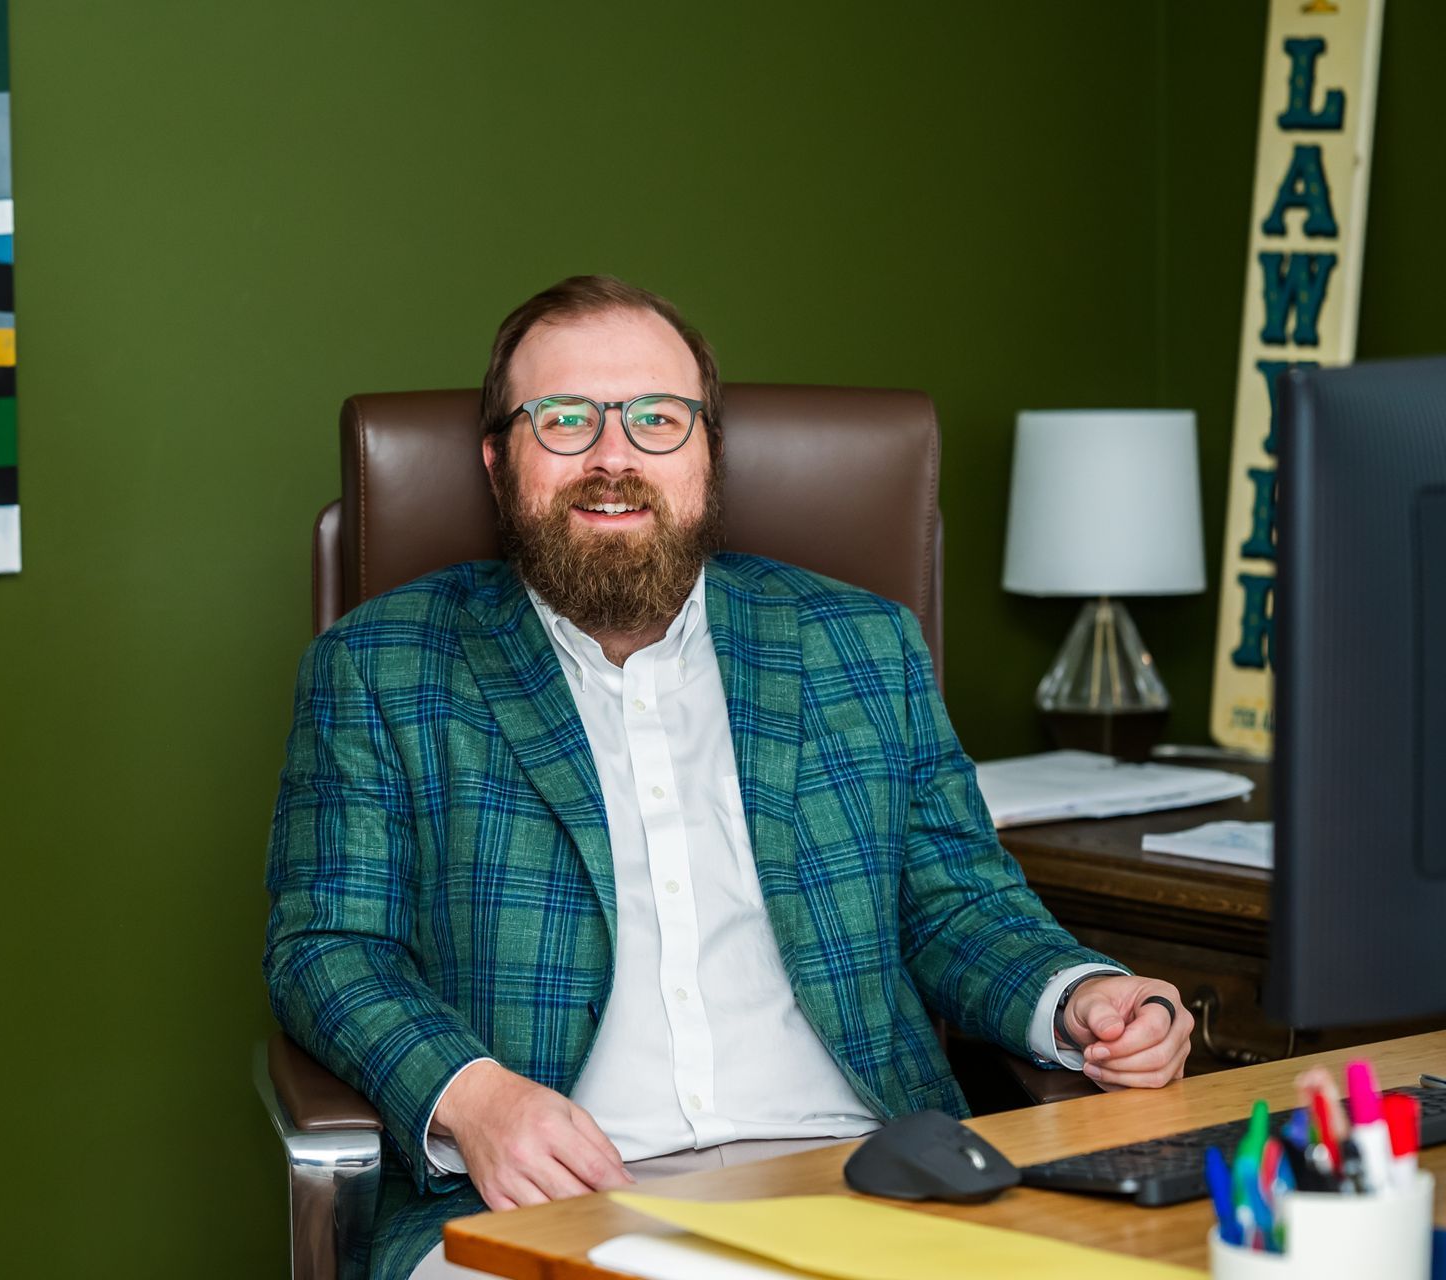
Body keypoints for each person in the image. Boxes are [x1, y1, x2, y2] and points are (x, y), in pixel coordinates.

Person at [264, 276, 1193, 1280]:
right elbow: (329, 944)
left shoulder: (862, 642)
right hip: (549, 1203)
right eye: (566, 419)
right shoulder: (382, 664)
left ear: (708, 452)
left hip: (860, 1175)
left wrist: (1083, 995)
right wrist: (476, 1095)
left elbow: (957, 903)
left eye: (657, 419)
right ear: (499, 461)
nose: (613, 456)